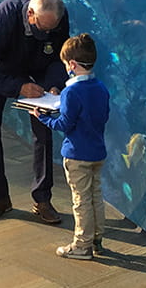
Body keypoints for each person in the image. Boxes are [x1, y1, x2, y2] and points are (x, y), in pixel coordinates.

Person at [0, 0, 69, 224]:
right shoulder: (4, 16)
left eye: (51, 29)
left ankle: (42, 198)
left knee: (43, 125)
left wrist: (55, 84)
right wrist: (19, 87)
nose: (46, 34)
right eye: (42, 28)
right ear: (29, 14)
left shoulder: (59, 18)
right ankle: (0, 198)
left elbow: (60, 57)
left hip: (39, 68)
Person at [33, 33, 111, 260]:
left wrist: (43, 117)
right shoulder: (101, 87)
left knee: (81, 200)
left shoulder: (71, 92)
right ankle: (97, 240)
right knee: (96, 196)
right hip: (98, 151)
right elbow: (102, 116)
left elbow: (64, 124)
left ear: (72, 65)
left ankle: (81, 246)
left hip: (77, 154)